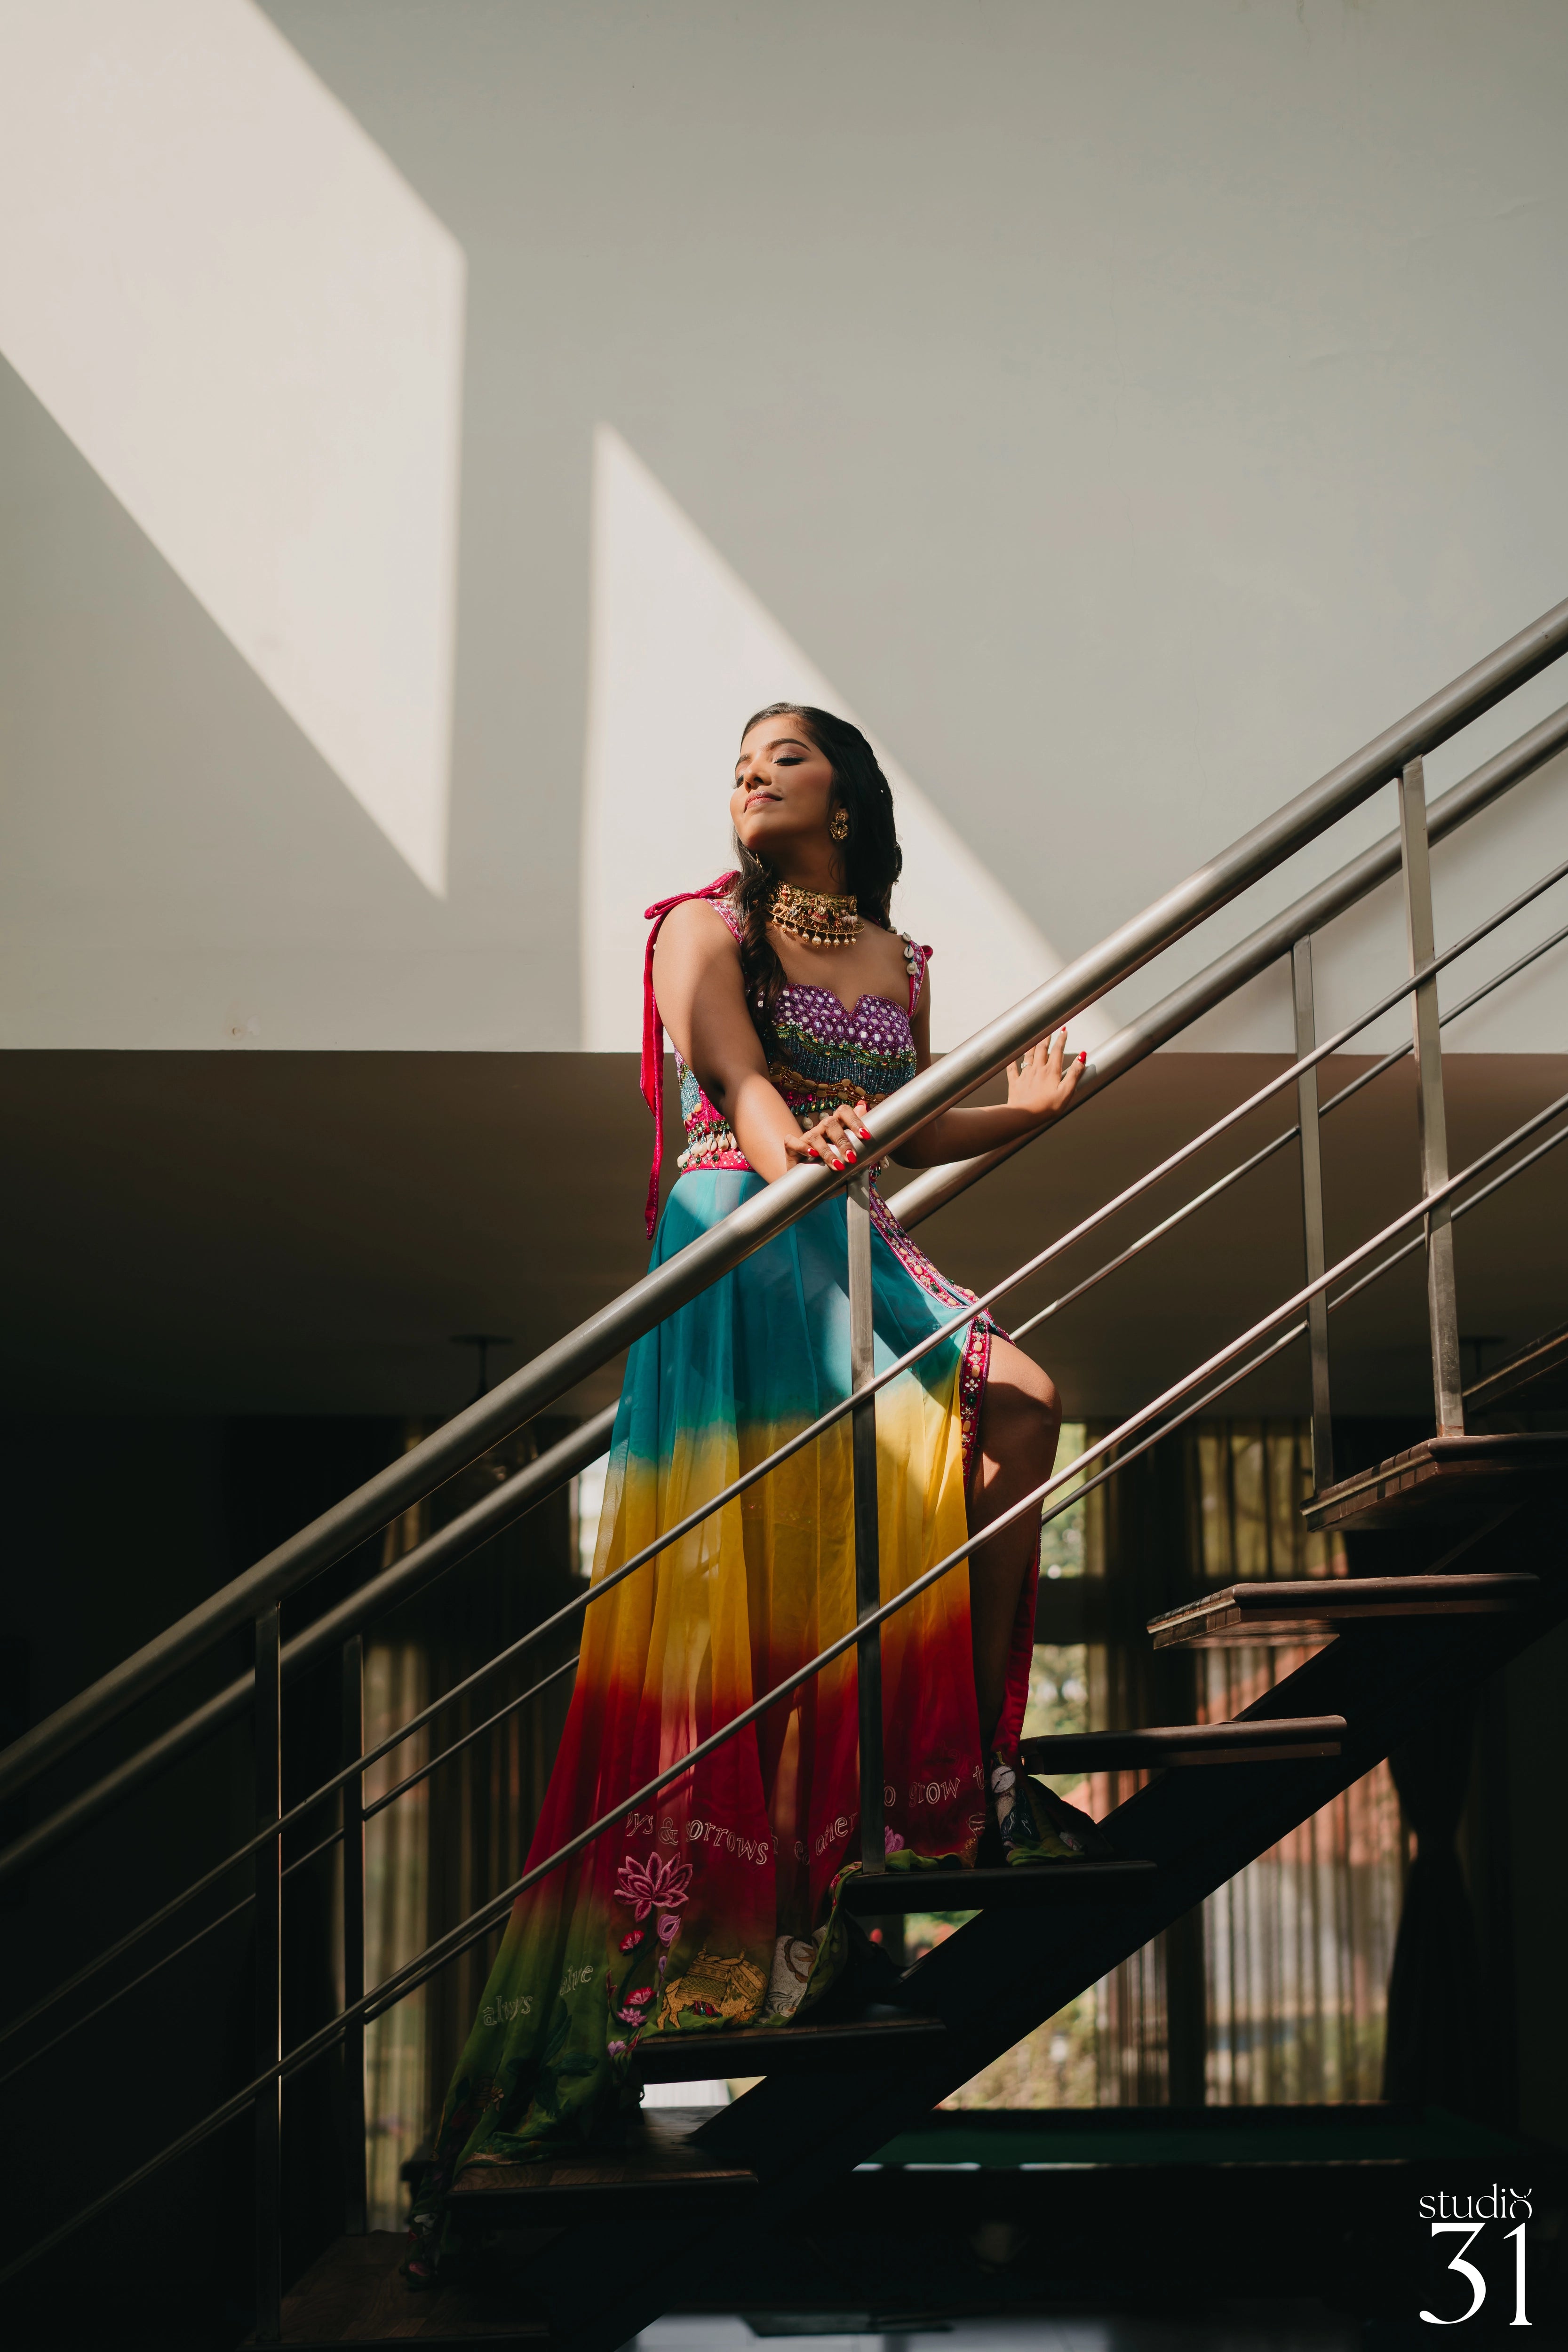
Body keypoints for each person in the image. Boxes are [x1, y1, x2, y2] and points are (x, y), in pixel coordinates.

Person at [407, 704, 1084, 2268]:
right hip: (742, 1228)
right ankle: (852, 1837)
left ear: (846, 794)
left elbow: (891, 1143)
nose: (752, 771)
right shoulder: (702, 930)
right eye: (742, 758)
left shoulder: (902, 967)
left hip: (847, 1219)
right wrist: (812, 1156)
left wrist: (1019, 1118)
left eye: (785, 753)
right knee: (776, 1576)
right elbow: (755, 1103)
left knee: (1020, 1413)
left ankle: (957, 1780)